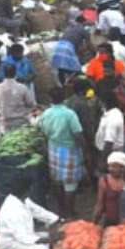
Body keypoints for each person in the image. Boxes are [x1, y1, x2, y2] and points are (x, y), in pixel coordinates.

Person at [0, 174, 60, 249]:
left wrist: (54, 219)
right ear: (28, 190)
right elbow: (24, 238)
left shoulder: (21, 200)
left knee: (46, 236)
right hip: (9, 244)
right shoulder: (14, 210)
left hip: (19, 238)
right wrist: (51, 239)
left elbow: (38, 211)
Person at [38, 87, 85, 216]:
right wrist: (84, 149)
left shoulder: (46, 113)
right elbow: (78, 134)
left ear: (50, 99)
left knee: (57, 180)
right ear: (64, 97)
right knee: (70, 183)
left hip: (53, 148)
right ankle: (69, 211)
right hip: (69, 150)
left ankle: (61, 209)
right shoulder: (69, 114)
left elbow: (41, 131)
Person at [0, 64, 35, 135]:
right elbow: (30, 103)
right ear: (15, 73)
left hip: (5, 122)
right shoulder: (23, 88)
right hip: (21, 121)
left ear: (3, 73)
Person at [94, 151, 125, 225]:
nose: (110, 169)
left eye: (114, 166)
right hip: (110, 219)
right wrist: (95, 222)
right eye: (109, 166)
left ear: (122, 167)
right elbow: (100, 203)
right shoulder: (104, 180)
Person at [95, 93, 125, 165]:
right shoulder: (108, 113)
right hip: (107, 151)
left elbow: (109, 142)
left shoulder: (113, 117)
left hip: (110, 153)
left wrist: (102, 162)